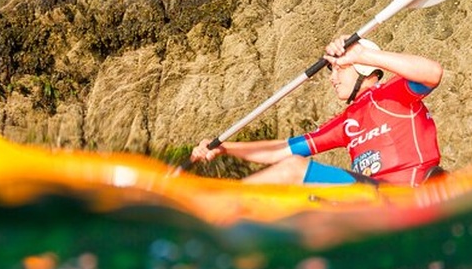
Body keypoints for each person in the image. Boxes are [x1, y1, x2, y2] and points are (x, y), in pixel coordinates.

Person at [190, 36, 445, 186]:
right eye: (331, 70)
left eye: (339, 69)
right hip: (370, 199)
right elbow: (282, 151)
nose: (333, 78)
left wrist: (363, 54)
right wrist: (225, 148)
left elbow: (433, 73)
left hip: (409, 193)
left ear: (363, 68)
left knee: (294, 169)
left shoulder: (394, 93)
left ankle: (211, 205)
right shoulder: (347, 122)